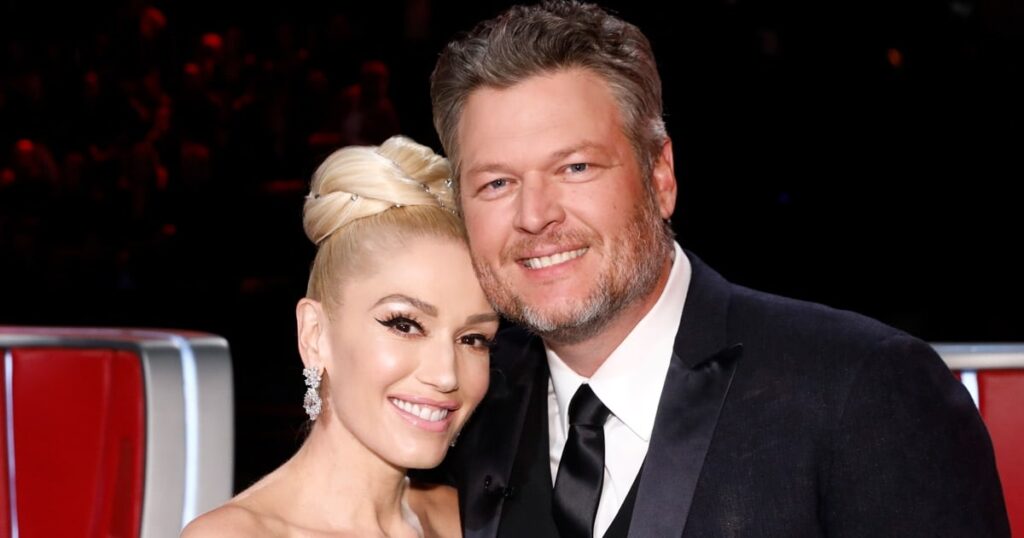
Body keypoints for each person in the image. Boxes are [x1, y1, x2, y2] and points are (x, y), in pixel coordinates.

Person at [421, 2, 1010, 537]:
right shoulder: (457, 403)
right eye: (497, 183)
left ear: (660, 176)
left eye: (575, 168)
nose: (535, 215)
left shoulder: (864, 392)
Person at [182, 135, 499, 537]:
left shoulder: (465, 519)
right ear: (315, 335)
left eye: (473, 339)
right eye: (405, 325)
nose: (446, 375)